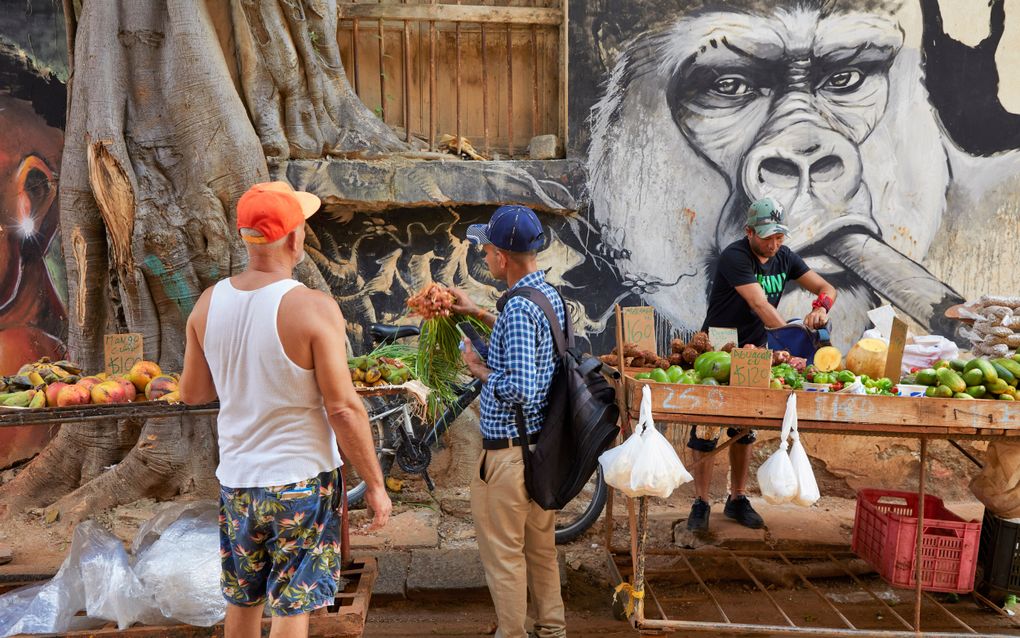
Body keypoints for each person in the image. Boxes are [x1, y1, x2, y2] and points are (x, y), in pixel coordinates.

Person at [179, 181, 391, 638]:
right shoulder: (314, 308)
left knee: (244, 602)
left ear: (245, 237)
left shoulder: (207, 304)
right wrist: (374, 483)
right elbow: (344, 409)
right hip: (300, 483)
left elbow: (193, 393)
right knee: (293, 609)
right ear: (295, 239)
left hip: (237, 483)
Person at [449, 205, 568, 638]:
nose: (483, 256)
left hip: (509, 459)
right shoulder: (546, 296)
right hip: (539, 450)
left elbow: (523, 388)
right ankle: (552, 631)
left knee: (505, 557)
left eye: (486, 249)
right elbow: (528, 342)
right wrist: (478, 313)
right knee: (540, 550)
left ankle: (512, 633)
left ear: (501, 256)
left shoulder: (518, 309)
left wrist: (480, 371)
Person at [687, 196, 836, 533]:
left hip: (755, 347)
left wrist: (821, 307)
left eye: (779, 237)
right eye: (767, 237)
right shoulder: (735, 256)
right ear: (749, 231)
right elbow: (759, 304)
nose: (774, 244)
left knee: (744, 427)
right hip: (719, 346)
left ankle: (736, 498)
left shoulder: (784, 256)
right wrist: (790, 341)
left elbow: (826, 287)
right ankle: (700, 503)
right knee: (706, 427)